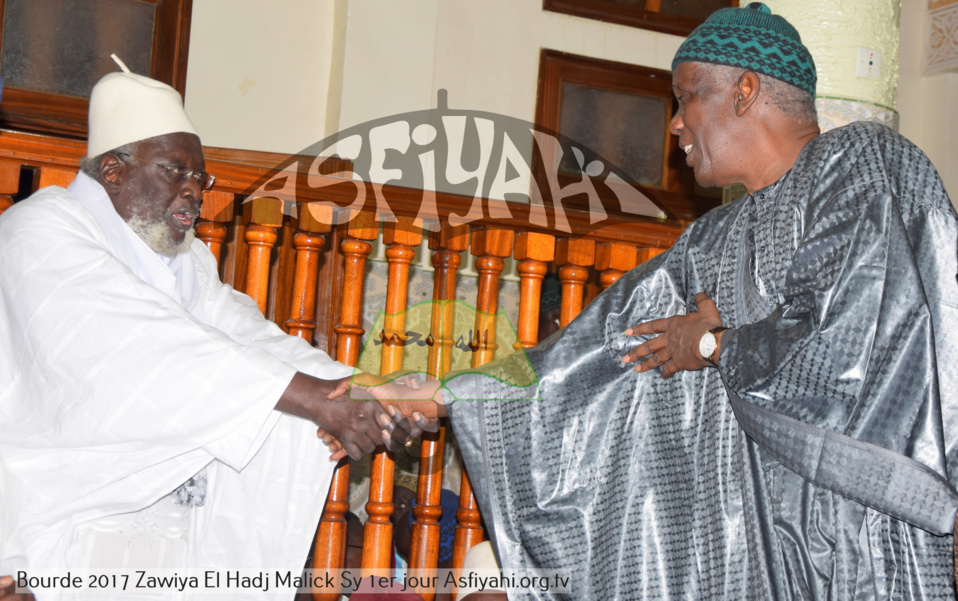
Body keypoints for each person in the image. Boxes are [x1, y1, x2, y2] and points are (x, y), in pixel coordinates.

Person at [365, 4, 958, 599]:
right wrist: (441, 395)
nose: (675, 124)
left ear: (746, 91)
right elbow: (601, 349)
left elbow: (846, 342)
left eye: (687, 97)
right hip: (766, 540)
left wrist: (711, 343)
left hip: (870, 530)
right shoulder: (716, 237)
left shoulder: (867, 160)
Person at [0, 64, 424, 598]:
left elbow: (251, 340)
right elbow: (146, 348)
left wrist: (359, 392)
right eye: (175, 172)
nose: (195, 192)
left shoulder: (188, 260)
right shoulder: (38, 232)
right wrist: (318, 401)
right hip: (58, 525)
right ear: (113, 170)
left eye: (201, 178)